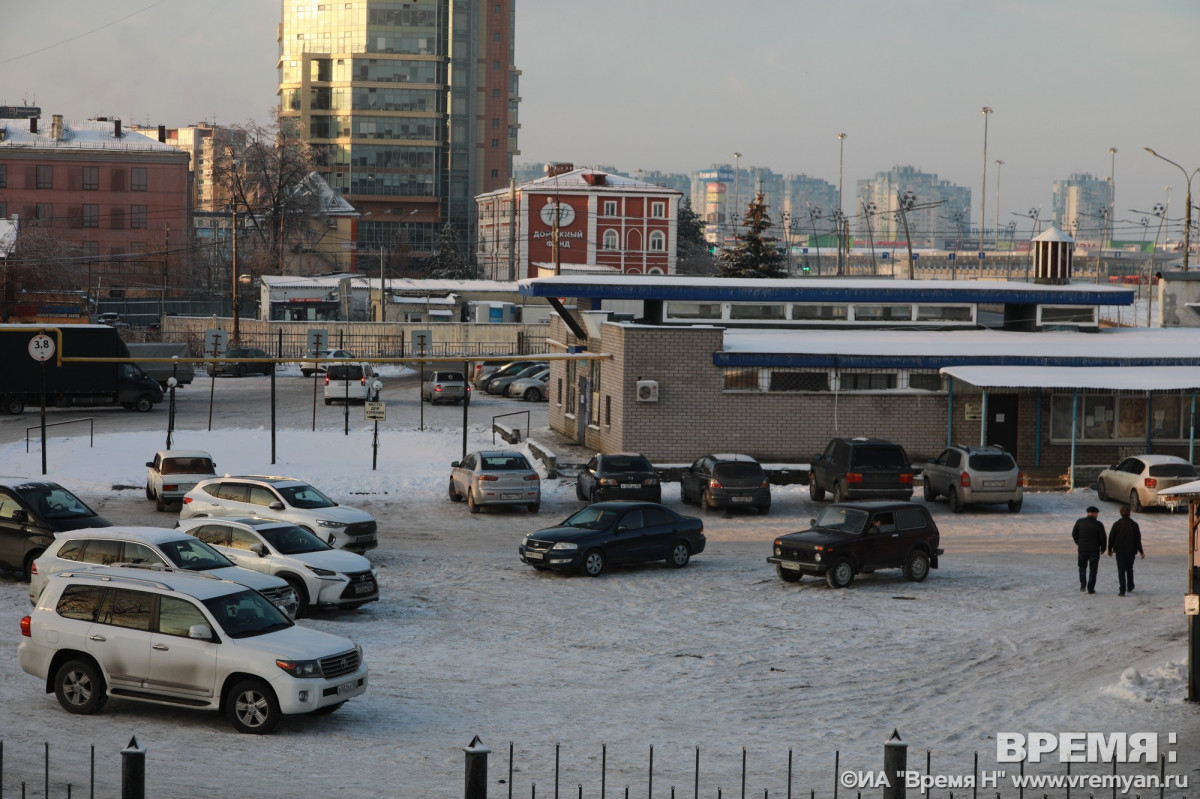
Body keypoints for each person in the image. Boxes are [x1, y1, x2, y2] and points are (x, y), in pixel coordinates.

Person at [1107, 505, 1144, 596]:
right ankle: (1130, 585)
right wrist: (1141, 551)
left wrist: (1109, 549)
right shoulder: (1134, 524)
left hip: (1119, 551)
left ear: (1120, 514)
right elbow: (1137, 539)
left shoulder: (1116, 524)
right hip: (1131, 550)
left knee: (1121, 570)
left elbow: (1111, 537)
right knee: (1129, 569)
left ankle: (1122, 590)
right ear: (1129, 514)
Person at [1072, 506, 1106, 594]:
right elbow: (1103, 537)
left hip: (1082, 549)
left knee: (1082, 567)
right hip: (1094, 549)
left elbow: (1074, 534)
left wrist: (1079, 543)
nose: (1097, 515)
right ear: (1094, 513)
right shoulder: (1098, 524)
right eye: (1097, 513)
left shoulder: (1080, 522)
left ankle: (1083, 584)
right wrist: (1103, 548)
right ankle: (1091, 588)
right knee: (1093, 570)